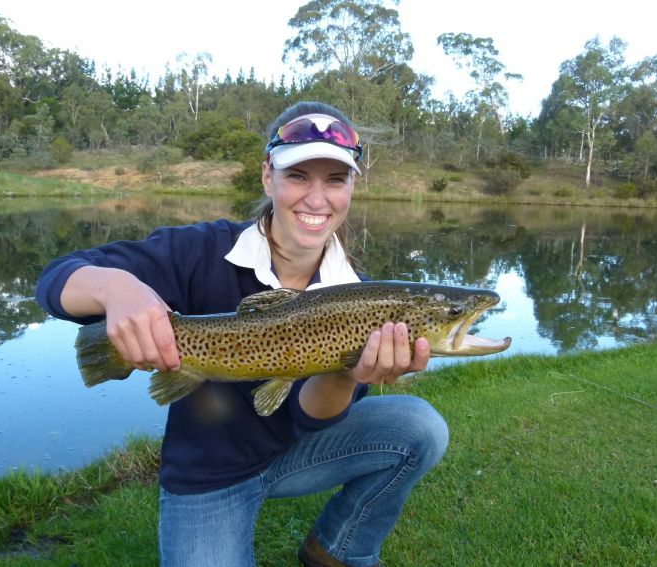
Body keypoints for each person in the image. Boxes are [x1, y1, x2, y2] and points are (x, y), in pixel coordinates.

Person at [35, 101, 449, 567]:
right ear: (267, 176)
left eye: (335, 179)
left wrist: (346, 374)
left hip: (299, 452)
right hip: (208, 474)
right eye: (298, 176)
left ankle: (336, 551)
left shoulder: (356, 296)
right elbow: (56, 279)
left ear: (353, 186)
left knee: (420, 427)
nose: (317, 199)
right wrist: (116, 288)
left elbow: (304, 420)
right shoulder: (201, 249)